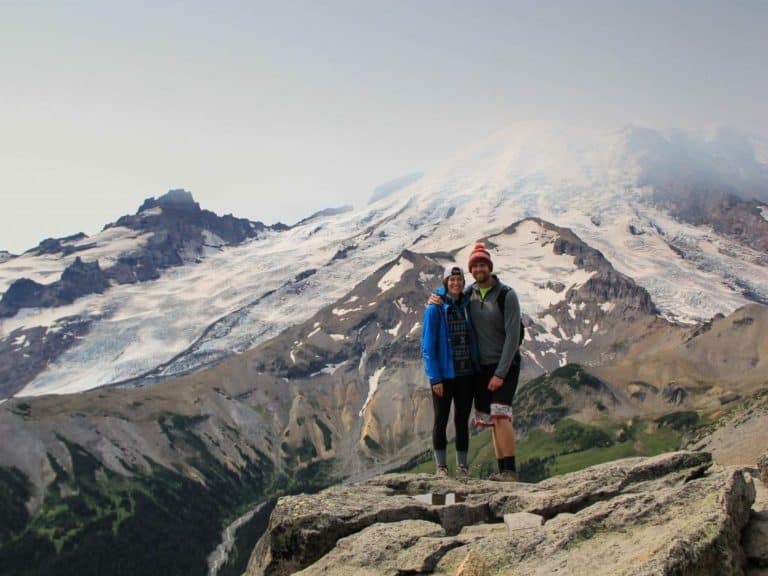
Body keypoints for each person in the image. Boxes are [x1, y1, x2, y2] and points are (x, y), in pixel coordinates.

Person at [430, 242, 522, 481]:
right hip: (481, 368)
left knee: (501, 414)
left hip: (504, 365)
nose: (479, 268)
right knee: (492, 418)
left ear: (489, 267)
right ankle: (503, 470)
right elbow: (450, 293)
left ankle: (510, 471)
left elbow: (513, 337)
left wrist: (501, 373)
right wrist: (436, 297)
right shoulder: (469, 294)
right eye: (475, 265)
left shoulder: (506, 295)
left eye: (483, 264)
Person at [421, 265, 476, 478]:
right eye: (451, 280)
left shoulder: (467, 303)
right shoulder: (434, 308)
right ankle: (441, 468)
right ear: (445, 282)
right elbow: (428, 346)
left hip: (465, 373)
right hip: (443, 376)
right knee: (441, 420)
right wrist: (434, 378)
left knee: (462, 420)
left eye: (459, 279)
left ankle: (462, 467)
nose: (455, 283)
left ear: (463, 282)